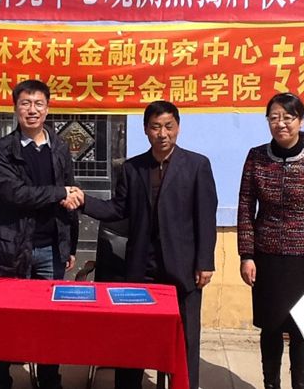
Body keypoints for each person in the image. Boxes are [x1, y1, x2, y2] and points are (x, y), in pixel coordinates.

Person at [66, 100, 218, 389]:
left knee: (185, 337)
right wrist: (85, 201)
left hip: (183, 266)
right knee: (133, 336)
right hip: (141, 267)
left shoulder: (197, 165)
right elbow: (117, 209)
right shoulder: (132, 168)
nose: (163, 134)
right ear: (146, 130)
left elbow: (206, 217)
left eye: (169, 126)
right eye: (156, 127)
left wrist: (205, 263)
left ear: (178, 127)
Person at [237, 93, 304, 389]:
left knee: (301, 329)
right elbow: (245, 208)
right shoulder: (256, 157)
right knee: (270, 327)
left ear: (300, 121)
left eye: (288, 118)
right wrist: (246, 255)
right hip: (266, 256)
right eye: (274, 117)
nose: (281, 124)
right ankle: (271, 384)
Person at [0, 79, 80, 389]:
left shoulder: (60, 147)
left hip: (51, 248)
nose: (32, 110)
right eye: (25, 103)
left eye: (38, 104)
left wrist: (70, 245)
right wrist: (59, 192)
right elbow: (15, 194)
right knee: (7, 317)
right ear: (15, 108)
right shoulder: (2, 149)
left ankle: (49, 379)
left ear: (48, 109)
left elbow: (70, 198)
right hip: (13, 249)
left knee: (50, 319)